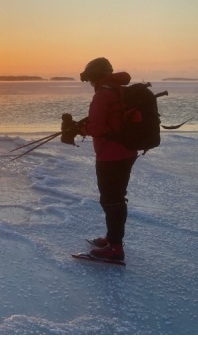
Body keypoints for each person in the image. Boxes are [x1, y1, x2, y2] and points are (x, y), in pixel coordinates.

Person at [63, 57, 138, 261]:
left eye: (89, 79)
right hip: (127, 152)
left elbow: (97, 128)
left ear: (95, 77)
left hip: (111, 155)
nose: (90, 84)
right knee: (116, 197)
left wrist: (80, 129)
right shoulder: (118, 90)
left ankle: (114, 247)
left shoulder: (103, 94)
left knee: (111, 200)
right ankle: (112, 239)